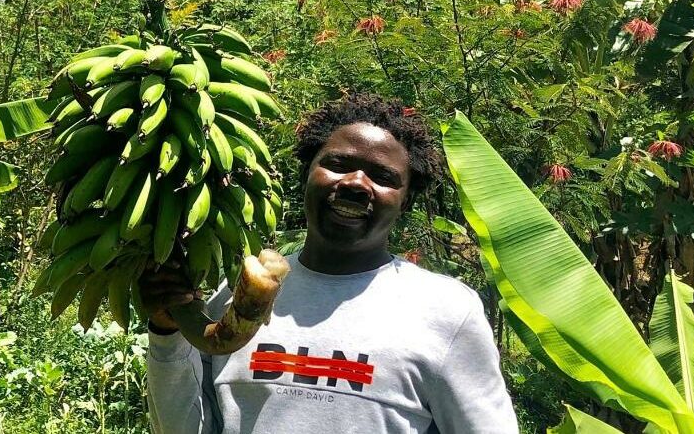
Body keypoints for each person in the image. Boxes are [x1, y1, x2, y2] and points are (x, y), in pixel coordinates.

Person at [140, 92, 519, 433]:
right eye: (338, 164)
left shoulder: (446, 312)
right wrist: (165, 332)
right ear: (307, 173)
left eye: (383, 176)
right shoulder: (237, 297)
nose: (356, 182)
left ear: (405, 202)